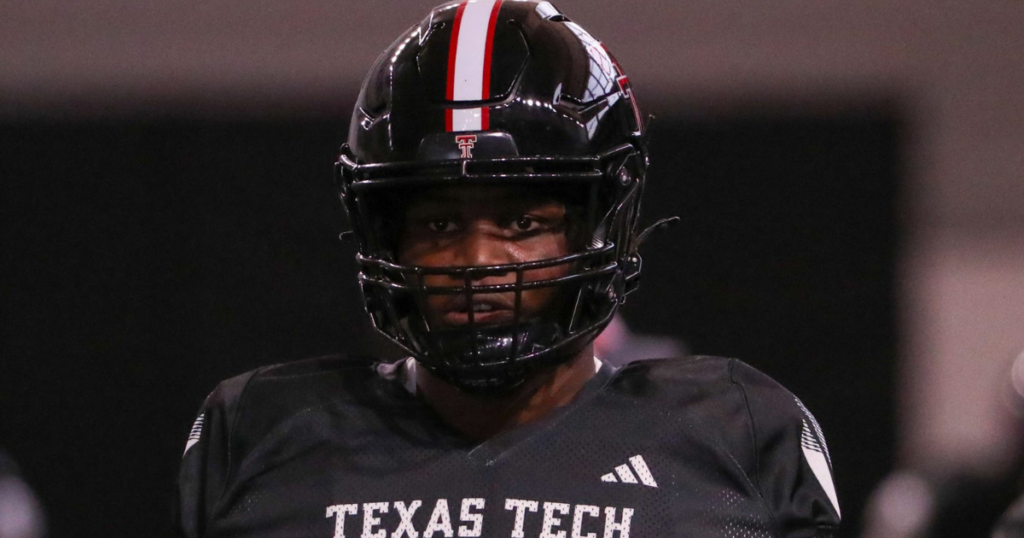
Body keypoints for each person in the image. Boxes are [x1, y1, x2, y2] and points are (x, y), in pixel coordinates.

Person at [175, 1, 842, 536]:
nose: (478, 261)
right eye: (439, 224)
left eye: (522, 224)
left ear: (597, 221)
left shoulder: (737, 436)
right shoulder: (262, 435)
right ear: (387, 234)